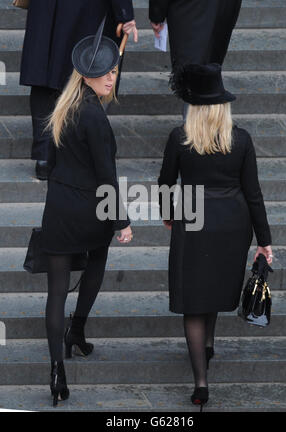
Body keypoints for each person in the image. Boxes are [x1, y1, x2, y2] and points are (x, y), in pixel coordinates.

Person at [157, 63, 273, 410]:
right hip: (232, 222)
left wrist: (169, 216)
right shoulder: (241, 139)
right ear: (224, 105)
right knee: (216, 284)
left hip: (191, 218)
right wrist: (264, 241)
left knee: (194, 296)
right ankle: (208, 344)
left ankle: (201, 383)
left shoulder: (180, 137)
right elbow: (253, 193)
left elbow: (165, 184)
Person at [40, 19, 133, 407]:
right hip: (91, 209)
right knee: (95, 263)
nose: (110, 79)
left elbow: (50, 162)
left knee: (56, 292)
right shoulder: (95, 116)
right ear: (87, 76)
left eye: (112, 71)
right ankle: (75, 332)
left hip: (60, 207)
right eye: (103, 73)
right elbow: (106, 175)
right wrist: (121, 220)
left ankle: (57, 365)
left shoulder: (64, 108)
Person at [19, 0, 137, 180]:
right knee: (84, 74)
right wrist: (125, 13)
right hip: (86, 9)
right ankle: (76, 151)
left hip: (46, 8)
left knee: (46, 74)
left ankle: (44, 156)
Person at [149, 0, 242, 119]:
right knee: (205, 72)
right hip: (221, 8)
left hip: (192, 9)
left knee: (194, 73)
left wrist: (157, 14)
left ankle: (196, 130)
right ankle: (204, 128)